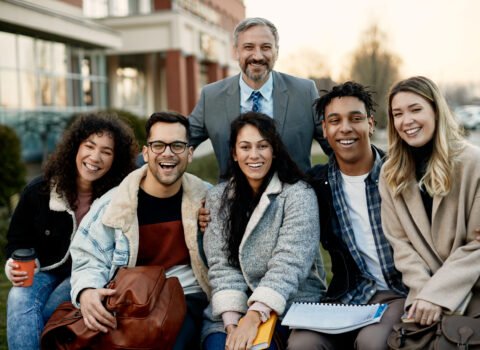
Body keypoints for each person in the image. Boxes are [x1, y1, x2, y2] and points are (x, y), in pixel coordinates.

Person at [70, 111, 211, 350]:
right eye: (158, 145)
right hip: (130, 300)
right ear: (146, 153)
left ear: (189, 153)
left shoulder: (208, 199)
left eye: (177, 145)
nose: (167, 153)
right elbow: (88, 256)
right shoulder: (114, 203)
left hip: (187, 297)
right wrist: (87, 290)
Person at [288, 82, 408, 350]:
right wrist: (210, 210)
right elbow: (277, 214)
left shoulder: (400, 173)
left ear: (370, 123)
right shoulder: (316, 185)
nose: (345, 128)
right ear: (325, 131)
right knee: (301, 343)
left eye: (355, 119)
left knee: (372, 343)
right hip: (348, 295)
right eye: (335, 121)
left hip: (399, 292)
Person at [5, 113, 137, 350]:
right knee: (18, 296)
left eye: (106, 152)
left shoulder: (119, 198)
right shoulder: (40, 190)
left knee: (46, 314)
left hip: (87, 274)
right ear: (75, 147)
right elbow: (16, 239)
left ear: (115, 159)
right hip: (44, 270)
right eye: (89, 146)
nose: (94, 157)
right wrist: (15, 265)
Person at [202, 112, 326, 350]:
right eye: (245, 147)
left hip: (289, 302)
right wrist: (232, 324)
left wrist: (255, 315)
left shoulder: (298, 194)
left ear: (274, 151)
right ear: (234, 154)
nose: (254, 155)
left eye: (263, 146)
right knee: (220, 346)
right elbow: (221, 265)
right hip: (232, 307)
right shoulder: (218, 198)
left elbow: (289, 263)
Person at [379, 76, 480, 327]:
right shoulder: (390, 172)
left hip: (470, 284)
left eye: (416, 110)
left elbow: (477, 246)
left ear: (436, 111)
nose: (407, 121)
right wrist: (425, 295)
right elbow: (401, 246)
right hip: (421, 294)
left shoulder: (473, 163)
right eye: (398, 114)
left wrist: (438, 295)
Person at [189, 17, 329, 178]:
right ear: (235, 51)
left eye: (266, 47)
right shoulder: (211, 97)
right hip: (234, 200)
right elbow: (180, 142)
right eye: (248, 47)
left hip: (296, 199)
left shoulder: (304, 92)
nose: (258, 56)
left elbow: (336, 147)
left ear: (276, 51)